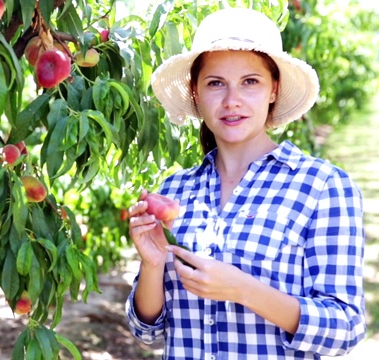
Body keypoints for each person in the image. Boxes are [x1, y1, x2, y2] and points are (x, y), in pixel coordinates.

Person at [125, 7, 366, 360]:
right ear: (196, 93)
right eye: (215, 83)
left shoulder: (322, 187)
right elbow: (147, 330)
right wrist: (151, 264)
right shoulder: (175, 190)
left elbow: (344, 329)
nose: (231, 100)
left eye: (250, 82)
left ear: (273, 90)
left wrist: (243, 290)